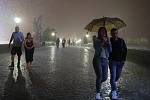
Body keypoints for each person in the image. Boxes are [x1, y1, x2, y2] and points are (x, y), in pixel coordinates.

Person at [93, 27, 112, 100]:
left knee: (105, 77)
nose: (103, 33)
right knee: (100, 76)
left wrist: (108, 42)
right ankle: (98, 93)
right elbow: (97, 48)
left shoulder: (107, 40)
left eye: (104, 31)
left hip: (105, 60)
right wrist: (103, 42)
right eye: (101, 31)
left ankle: (98, 84)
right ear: (99, 32)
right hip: (97, 59)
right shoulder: (96, 39)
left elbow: (110, 51)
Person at [109, 28, 127, 99]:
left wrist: (123, 60)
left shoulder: (121, 41)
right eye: (113, 33)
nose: (115, 35)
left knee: (117, 77)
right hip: (112, 61)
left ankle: (112, 83)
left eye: (116, 33)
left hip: (120, 62)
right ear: (111, 34)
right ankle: (114, 92)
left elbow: (125, 50)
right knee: (113, 77)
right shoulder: (109, 40)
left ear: (117, 33)